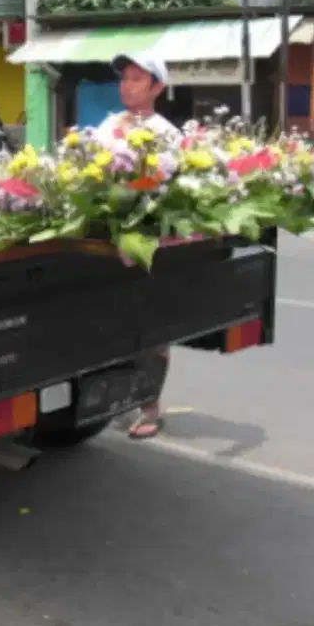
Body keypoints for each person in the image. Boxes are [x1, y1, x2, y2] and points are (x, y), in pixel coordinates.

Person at [97, 51, 178, 441]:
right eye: (124, 78)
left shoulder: (166, 134)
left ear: (157, 88)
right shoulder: (110, 125)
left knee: (149, 327)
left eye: (136, 79)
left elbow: (158, 184)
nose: (126, 85)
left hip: (145, 242)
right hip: (105, 243)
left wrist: (125, 189)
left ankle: (150, 409)